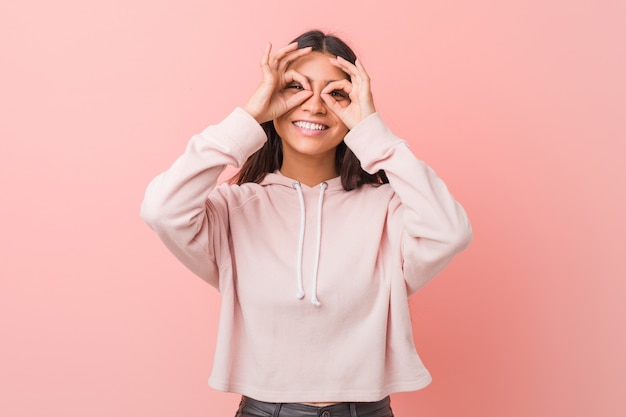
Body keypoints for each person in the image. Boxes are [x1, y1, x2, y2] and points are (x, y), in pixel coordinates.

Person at [141, 29, 472, 417]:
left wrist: (373, 132)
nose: (314, 105)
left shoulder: (388, 211)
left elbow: (450, 232)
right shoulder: (233, 209)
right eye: (296, 88)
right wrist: (247, 117)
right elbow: (160, 209)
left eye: (336, 94)